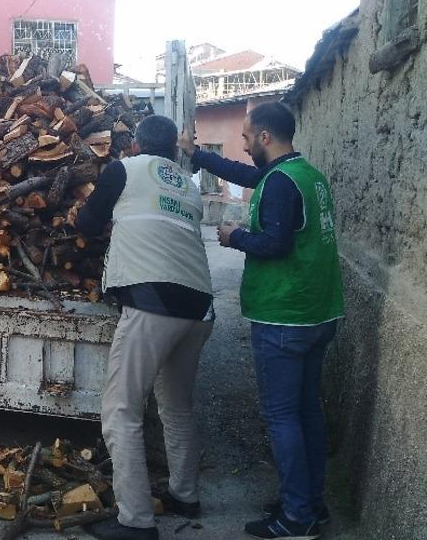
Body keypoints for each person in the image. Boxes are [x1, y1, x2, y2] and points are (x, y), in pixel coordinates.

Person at [179, 102, 343, 540]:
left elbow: (274, 243)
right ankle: (310, 501)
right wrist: (197, 155)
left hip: (285, 316)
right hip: (317, 313)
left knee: (282, 416)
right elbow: (247, 175)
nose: (245, 143)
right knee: (306, 411)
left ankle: (296, 518)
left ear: (265, 137)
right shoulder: (304, 174)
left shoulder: (281, 183)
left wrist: (234, 236)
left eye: (248, 136)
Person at [71, 115, 215, 540]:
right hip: (200, 307)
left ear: (135, 145)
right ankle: (185, 495)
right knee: (176, 405)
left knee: (121, 409)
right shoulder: (188, 185)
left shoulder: (123, 170)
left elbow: (87, 224)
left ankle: (135, 521)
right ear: (172, 149)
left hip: (154, 303)